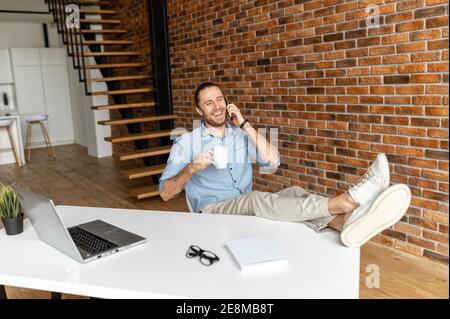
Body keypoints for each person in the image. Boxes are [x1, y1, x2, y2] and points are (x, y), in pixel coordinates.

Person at [159, 82, 411, 247]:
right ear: (199, 110)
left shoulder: (239, 134)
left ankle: (344, 223)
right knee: (257, 199)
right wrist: (191, 168)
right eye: (209, 103)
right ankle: (347, 201)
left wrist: (245, 124)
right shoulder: (187, 142)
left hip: (242, 205)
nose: (217, 106)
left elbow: (273, 161)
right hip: (211, 213)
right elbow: (166, 194)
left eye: (220, 99)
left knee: (293, 193)